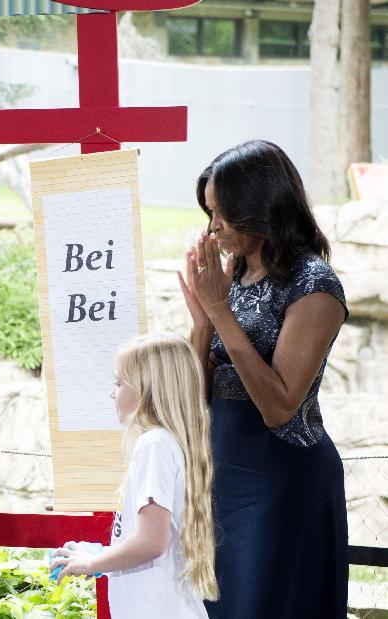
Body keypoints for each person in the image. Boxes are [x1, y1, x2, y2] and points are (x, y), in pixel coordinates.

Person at [178, 140, 348, 618]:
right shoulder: (232, 276)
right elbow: (196, 399)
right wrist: (201, 321)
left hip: (282, 482)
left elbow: (280, 407)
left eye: (223, 214)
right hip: (223, 475)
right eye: (210, 213)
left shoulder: (314, 285)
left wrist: (219, 311)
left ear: (260, 208)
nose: (213, 227)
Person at [50, 333, 218, 618]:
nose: (111, 392)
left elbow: (151, 542)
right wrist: (98, 554)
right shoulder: (164, 444)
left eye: (119, 383)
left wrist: (94, 563)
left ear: (148, 390)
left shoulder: (154, 445)